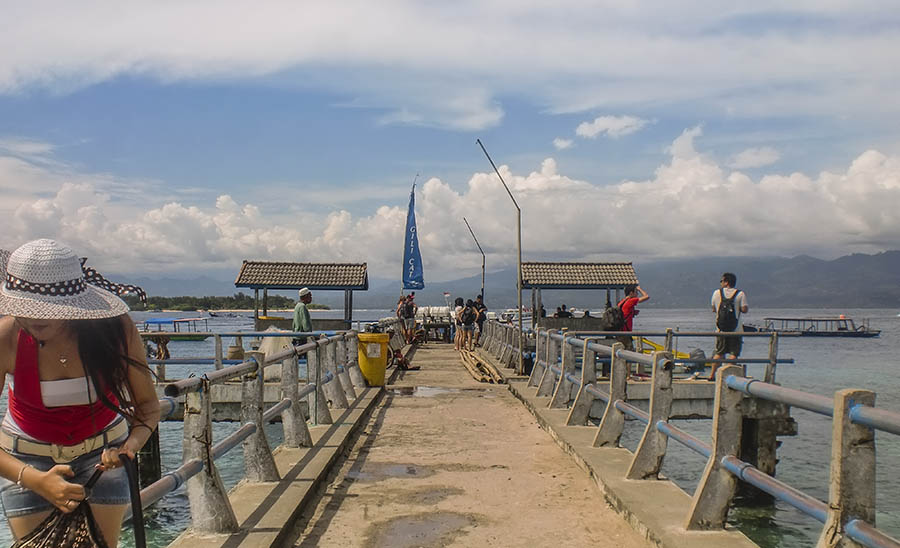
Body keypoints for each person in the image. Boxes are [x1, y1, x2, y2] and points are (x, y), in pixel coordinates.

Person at [0, 239, 160, 547]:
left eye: (48, 308)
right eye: (26, 308)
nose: (36, 318)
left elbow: (149, 406)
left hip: (103, 458)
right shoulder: (6, 338)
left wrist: (130, 446)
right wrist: (35, 480)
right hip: (25, 461)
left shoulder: (116, 330)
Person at [709, 272, 748, 381]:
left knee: (719, 353)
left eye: (721, 281)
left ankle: (712, 375)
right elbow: (745, 309)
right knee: (733, 354)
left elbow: (713, 309)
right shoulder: (740, 294)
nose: (721, 283)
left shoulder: (716, 293)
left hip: (720, 330)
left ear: (726, 282)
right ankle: (727, 376)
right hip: (736, 330)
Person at [617, 285, 650, 350]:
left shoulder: (622, 302)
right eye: (636, 292)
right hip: (626, 332)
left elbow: (624, 313)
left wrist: (633, 312)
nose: (637, 294)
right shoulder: (630, 301)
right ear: (631, 293)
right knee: (629, 352)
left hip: (621, 331)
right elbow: (646, 297)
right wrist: (640, 289)